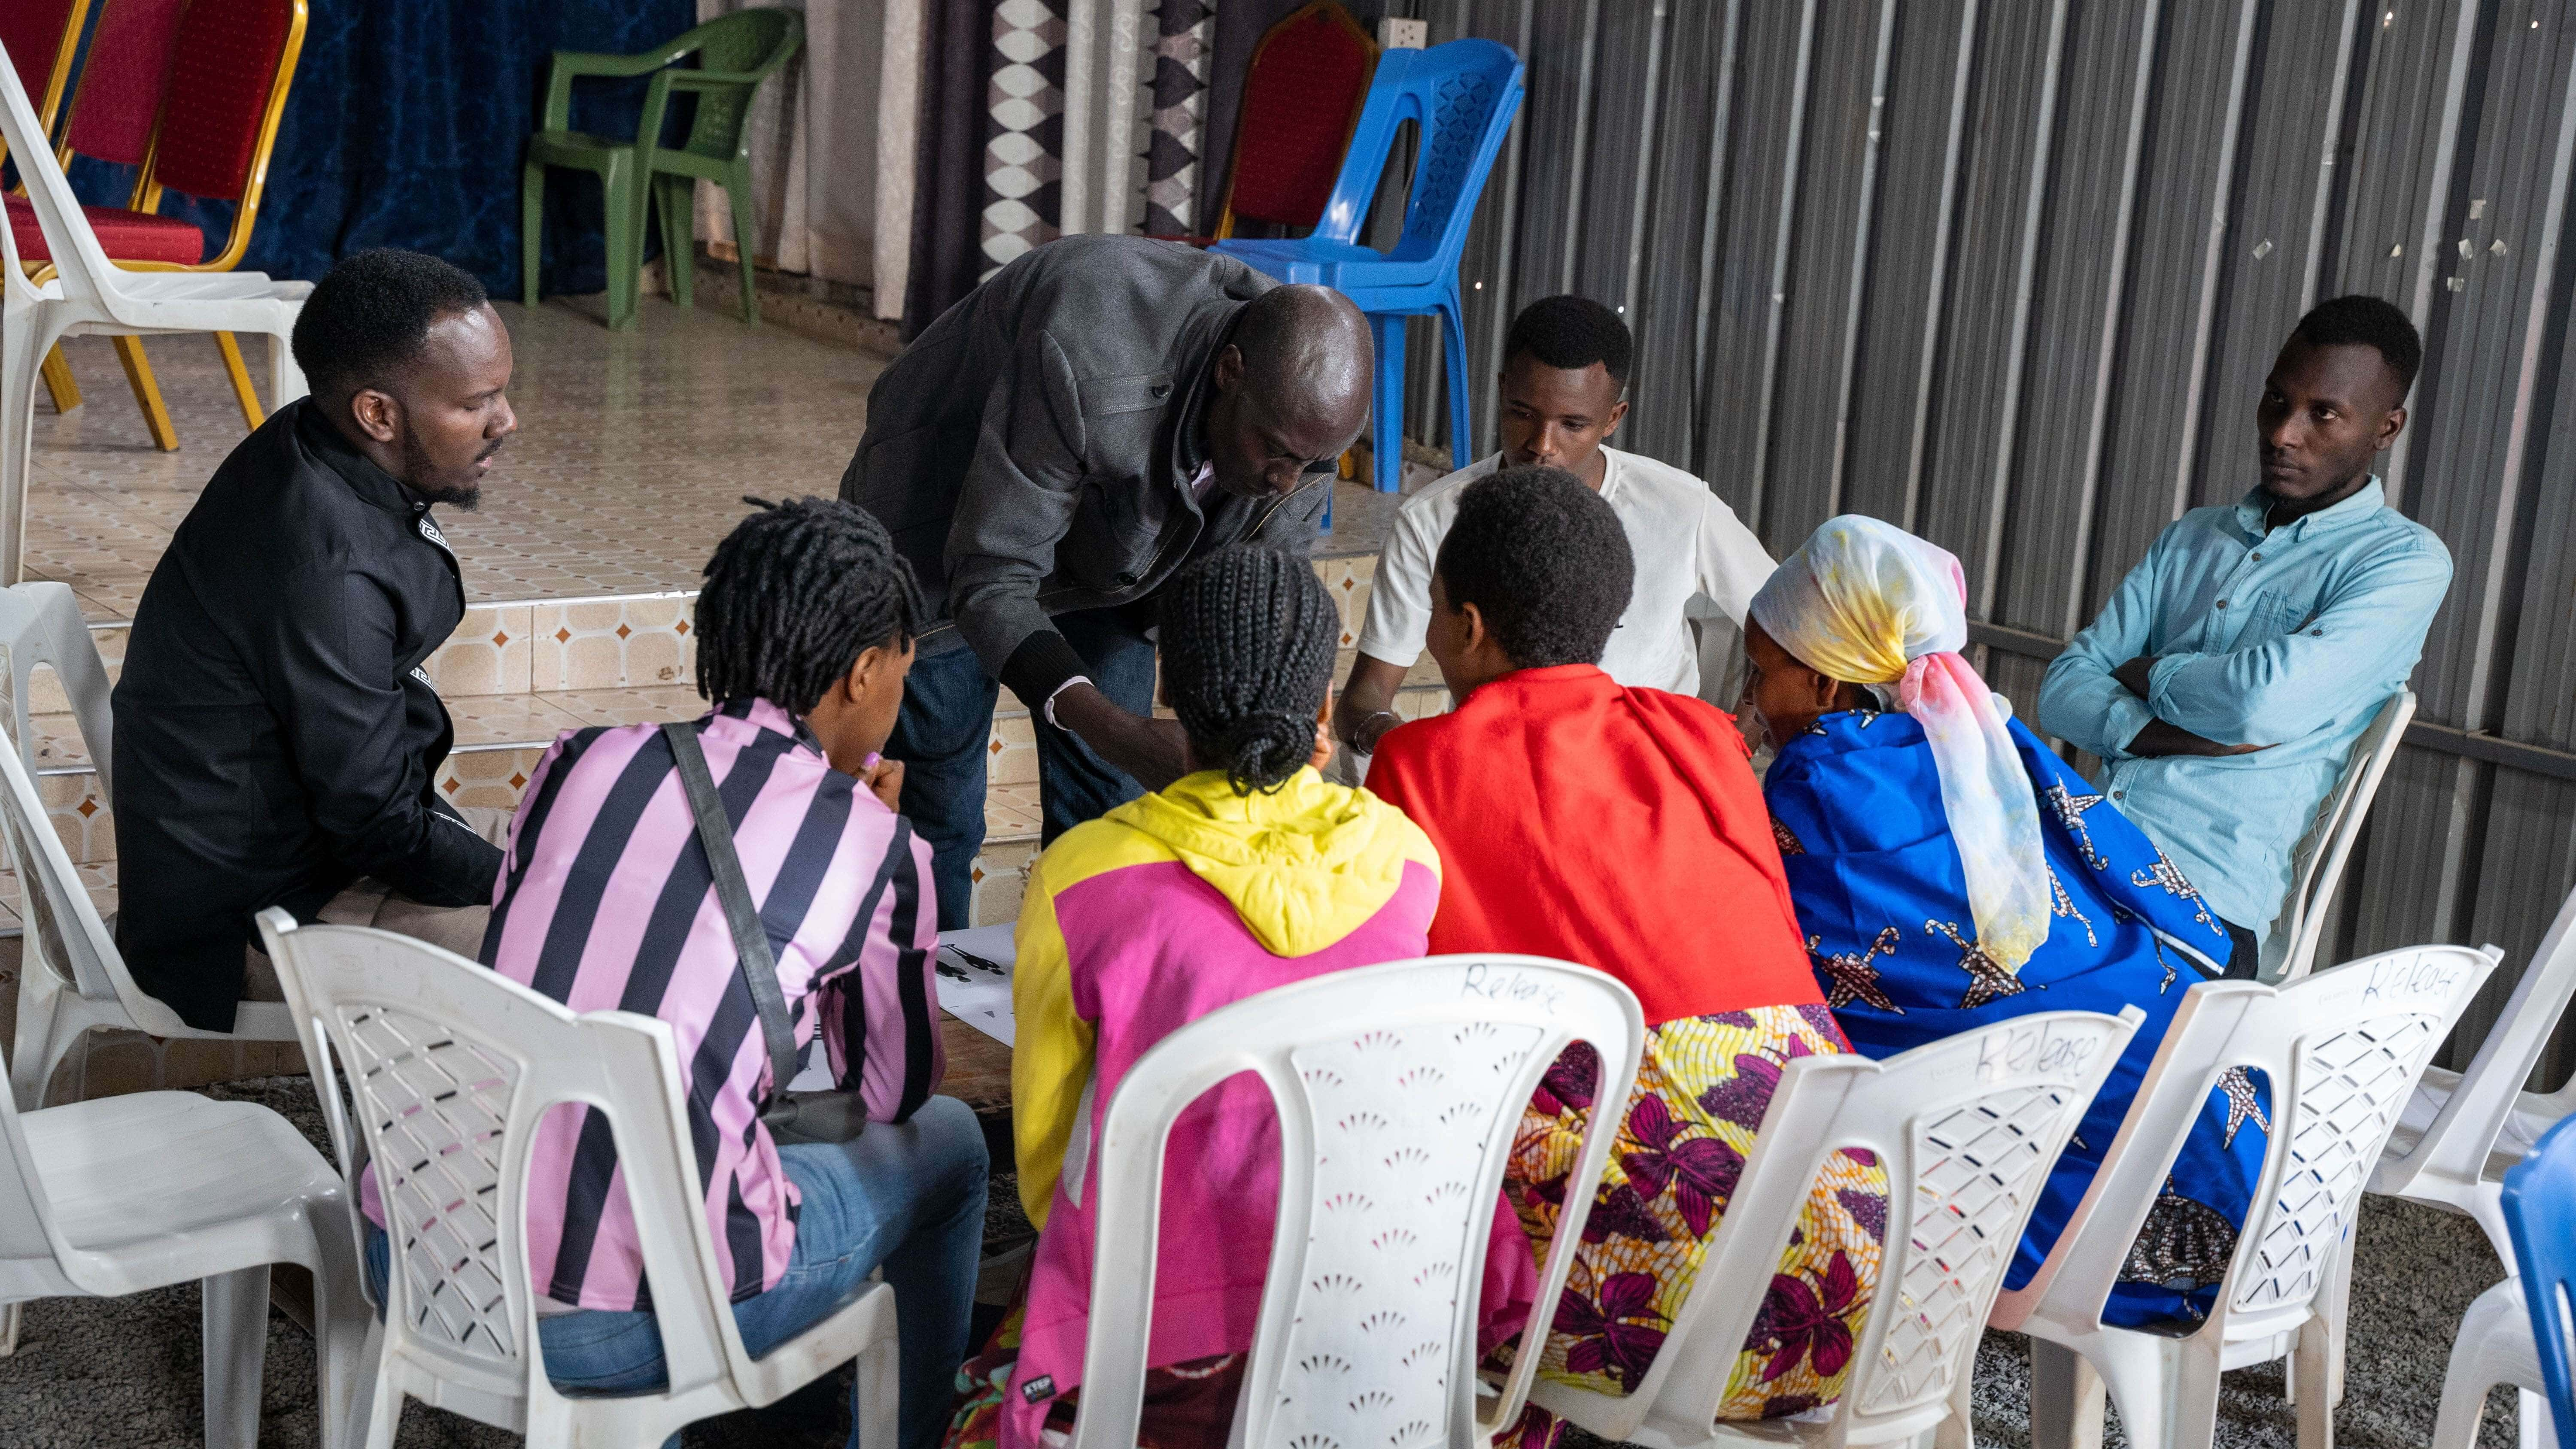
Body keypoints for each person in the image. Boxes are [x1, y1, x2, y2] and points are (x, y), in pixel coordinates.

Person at [361, 498, 987, 1449]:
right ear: (865, 672)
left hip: (417, 1247)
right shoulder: (875, 846)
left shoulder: (580, 757)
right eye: (898, 677)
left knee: (742, 1124)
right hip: (623, 1323)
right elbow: (892, 1090)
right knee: (952, 1147)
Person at [945, 546, 1529, 1449]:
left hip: (1160, 1361)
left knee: (975, 1407)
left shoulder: (1080, 873)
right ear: (1327, 707)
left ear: (1171, 698)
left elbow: (1051, 1151)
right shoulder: (1402, 856)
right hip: (1383, 1323)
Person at [1364, 466, 1884, 1421]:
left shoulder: (1420, 765)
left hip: (1678, 1327)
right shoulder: (1702, 736)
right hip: (1862, 1291)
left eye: (1435, 606)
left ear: (1466, 626)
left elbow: (1407, 1014)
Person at [1747, 514, 2262, 1327]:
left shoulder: (1823, 780)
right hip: (2239, 1173)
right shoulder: (1969, 739)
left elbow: (1792, 967)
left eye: (1760, 671)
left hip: (2104, 1221)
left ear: (1824, 685)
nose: (1747, 699)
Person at [841, 234, 1373, 927]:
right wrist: (1119, 730)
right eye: (1276, 453)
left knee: (1109, 804)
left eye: (1312, 462)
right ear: (1230, 371)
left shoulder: (1300, 426)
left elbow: (1265, 588)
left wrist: (1293, 719)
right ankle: (920, 1012)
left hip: (1116, 555)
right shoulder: (1094, 355)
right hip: (939, 516)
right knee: (938, 804)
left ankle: (1076, 990)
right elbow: (994, 576)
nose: (1287, 481)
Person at [112, 248, 519, 1032]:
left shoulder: (317, 440)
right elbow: (380, 826)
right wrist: (523, 884)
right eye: (479, 402)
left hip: (315, 857)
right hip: (250, 917)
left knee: (620, 857)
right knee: (590, 951)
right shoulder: (325, 569)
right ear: (378, 414)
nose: (507, 421)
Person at [2039, 296, 2452, 973]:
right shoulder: (2194, 537)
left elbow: (2261, 704)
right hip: (2082, 858)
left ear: (2387, 428)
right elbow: (2061, 689)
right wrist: (2156, 732)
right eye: (2276, 401)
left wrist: (2150, 673)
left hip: (2202, 906)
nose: (2284, 433)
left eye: (2324, 414)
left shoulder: (2402, 563)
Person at [1333, 296, 1771, 764]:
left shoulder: (1682, 507)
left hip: (1653, 780)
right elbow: (1365, 698)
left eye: (1573, 425)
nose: (1542, 445)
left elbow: (1798, 627)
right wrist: (1418, 756)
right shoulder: (1433, 522)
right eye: (1522, 413)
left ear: (1613, 419)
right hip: (1506, 778)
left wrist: (1732, 748)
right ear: (1502, 392)